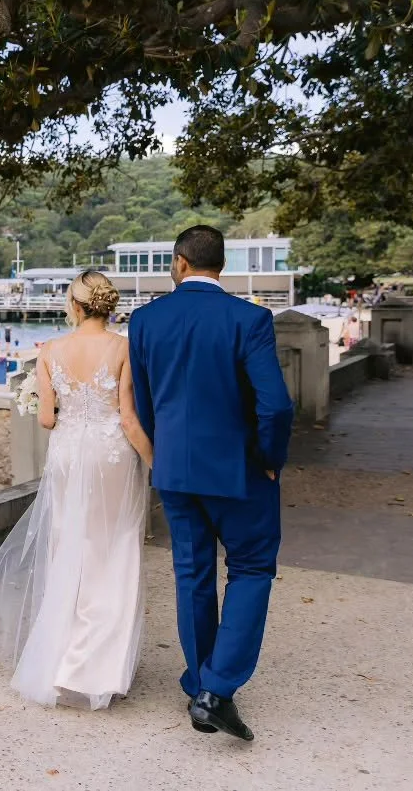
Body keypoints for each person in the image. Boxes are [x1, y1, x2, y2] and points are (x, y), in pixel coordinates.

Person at [128, 225, 293, 741]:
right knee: (250, 569)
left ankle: (202, 680)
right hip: (239, 471)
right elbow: (276, 404)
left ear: (179, 262)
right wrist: (270, 458)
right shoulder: (250, 319)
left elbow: (146, 402)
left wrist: (163, 453)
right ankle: (216, 690)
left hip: (176, 470)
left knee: (192, 573)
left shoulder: (145, 320)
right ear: (220, 264)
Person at [0, 271, 153, 710]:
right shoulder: (124, 347)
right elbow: (128, 418)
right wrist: (156, 462)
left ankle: (58, 660)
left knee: (69, 546)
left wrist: (68, 402)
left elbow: (46, 420)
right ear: (107, 305)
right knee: (113, 549)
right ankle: (97, 668)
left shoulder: (51, 351)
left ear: (75, 305)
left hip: (68, 453)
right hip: (110, 455)